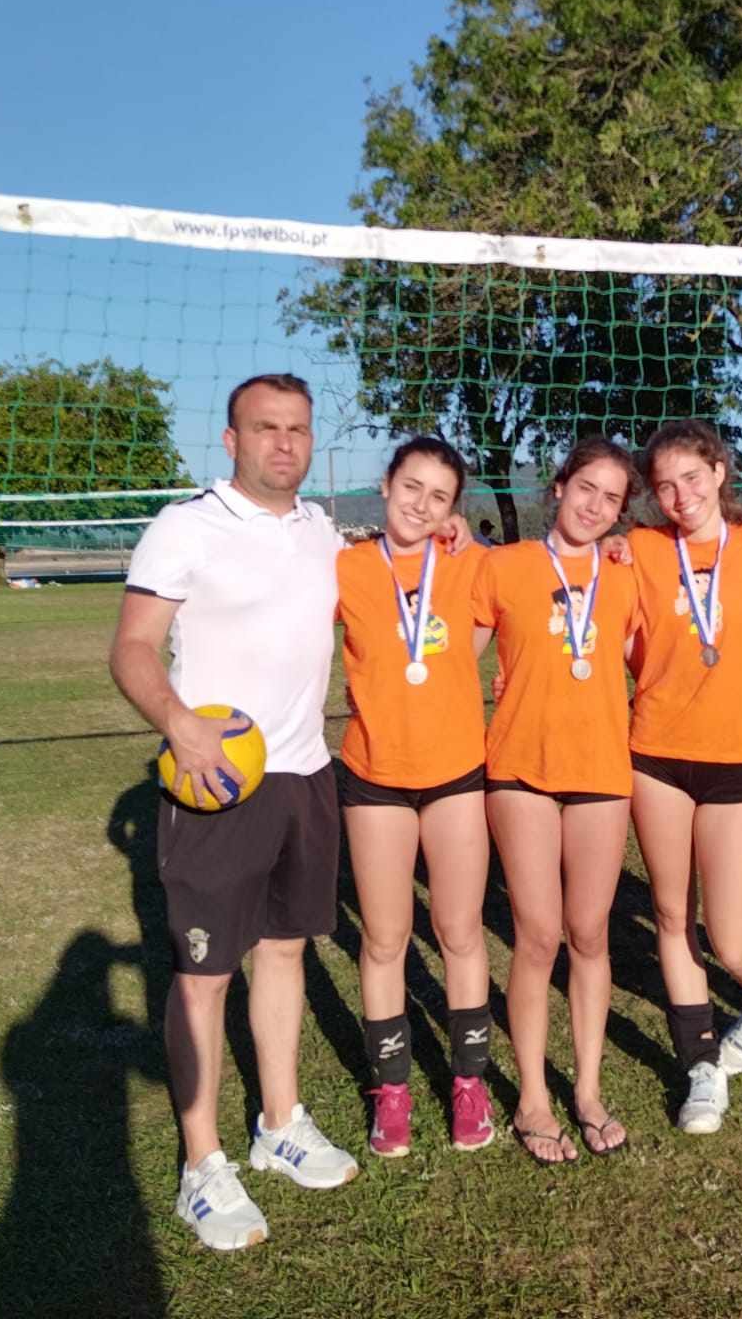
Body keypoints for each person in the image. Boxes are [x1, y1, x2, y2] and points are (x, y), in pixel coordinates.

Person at [108, 375, 468, 1251]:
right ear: (231, 439)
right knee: (203, 975)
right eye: (265, 428)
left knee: (284, 952)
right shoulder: (185, 526)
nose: (283, 443)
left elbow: (398, 567)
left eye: (298, 429)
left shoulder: (321, 534)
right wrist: (178, 724)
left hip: (307, 776)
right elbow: (131, 647)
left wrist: (453, 529)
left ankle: (279, 1123)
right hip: (219, 781)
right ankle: (203, 1163)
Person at [471, 438, 642, 1163]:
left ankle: (589, 1091)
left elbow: (654, 658)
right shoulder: (503, 566)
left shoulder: (629, 572)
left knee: (591, 933)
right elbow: (456, 656)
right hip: (520, 767)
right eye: (586, 488)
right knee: (538, 935)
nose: (595, 506)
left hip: (602, 769)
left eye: (612, 498)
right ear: (559, 486)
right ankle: (534, 1099)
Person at [625, 420, 742, 1133]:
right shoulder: (639, 549)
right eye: (664, 486)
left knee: (730, 937)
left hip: (733, 756)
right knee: (672, 917)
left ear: (720, 472)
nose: (680, 495)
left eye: (691, 477)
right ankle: (700, 1066)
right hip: (655, 754)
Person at [336, 438, 496, 1156]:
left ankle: (469, 1083)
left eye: (439, 497)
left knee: (459, 932)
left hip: (456, 771)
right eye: (412, 487)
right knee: (383, 938)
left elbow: (506, 607)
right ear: (386, 484)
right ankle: (392, 1091)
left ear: (454, 508)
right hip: (375, 775)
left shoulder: (470, 562)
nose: (422, 505)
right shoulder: (345, 567)